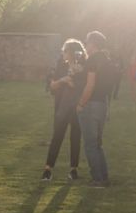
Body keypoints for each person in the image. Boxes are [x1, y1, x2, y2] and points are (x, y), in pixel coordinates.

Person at [41, 39, 86, 181]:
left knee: (75, 138)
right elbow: (52, 86)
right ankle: (48, 169)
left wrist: (74, 83)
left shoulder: (84, 67)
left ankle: (73, 170)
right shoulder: (61, 65)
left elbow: (85, 86)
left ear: (73, 52)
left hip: (77, 107)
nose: (63, 53)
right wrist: (63, 80)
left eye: (65, 50)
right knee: (57, 136)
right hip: (61, 106)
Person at [76, 31, 113, 187]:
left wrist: (80, 104)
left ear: (93, 43)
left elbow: (90, 85)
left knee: (90, 145)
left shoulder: (92, 60)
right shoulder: (107, 60)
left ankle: (97, 179)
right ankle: (104, 176)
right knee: (97, 144)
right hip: (102, 104)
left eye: (87, 42)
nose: (85, 44)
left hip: (90, 105)